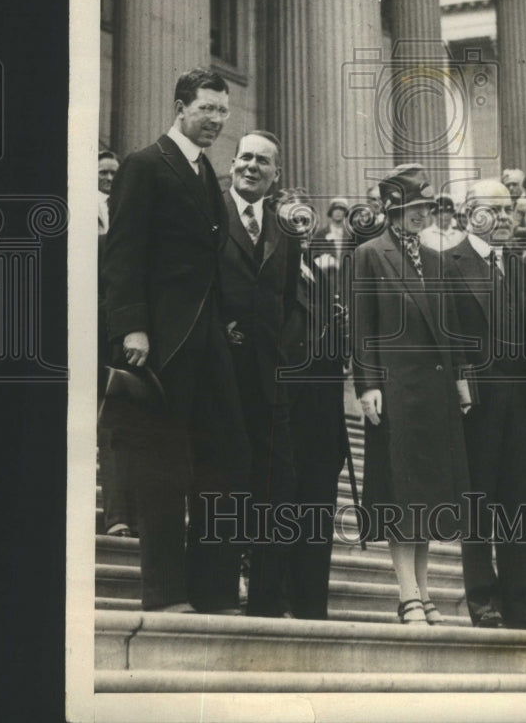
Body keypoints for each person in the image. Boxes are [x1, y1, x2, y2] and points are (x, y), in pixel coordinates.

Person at [102, 67, 249, 613]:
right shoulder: (145, 164)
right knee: (163, 463)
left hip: (208, 339)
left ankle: (213, 588)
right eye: (206, 108)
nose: (216, 120)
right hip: (162, 339)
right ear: (180, 107)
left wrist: (226, 321)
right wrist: (131, 325)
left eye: (223, 111)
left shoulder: (206, 171)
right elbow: (123, 252)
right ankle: (164, 594)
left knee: (225, 457)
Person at [441, 179, 526, 630]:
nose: (506, 217)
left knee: (519, 504)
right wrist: (457, 382)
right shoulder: (446, 265)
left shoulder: (525, 268)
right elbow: (444, 336)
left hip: (523, 407)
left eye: (510, 209)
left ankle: (518, 601)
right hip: (474, 406)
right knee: (478, 502)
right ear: (469, 213)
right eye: (495, 209)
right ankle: (482, 600)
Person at [351, 163, 471, 625]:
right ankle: (407, 595)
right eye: (414, 207)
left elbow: (451, 328)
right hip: (395, 390)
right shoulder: (370, 254)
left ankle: (423, 591)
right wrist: (367, 385)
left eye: (427, 207)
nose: (423, 214)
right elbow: (361, 326)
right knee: (401, 494)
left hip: (435, 393)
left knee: (426, 495)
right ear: (392, 210)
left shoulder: (436, 260)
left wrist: (460, 379)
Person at [220, 130, 302, 617]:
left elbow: (287, 299)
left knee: (278, 484)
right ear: (232, 164)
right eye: (245, 157)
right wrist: (219, 330)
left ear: (275, 175)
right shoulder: (209, 215)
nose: (251, 166)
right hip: (219, 375)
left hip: (269, 379)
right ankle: (217, 588)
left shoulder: (284, 231)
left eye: (262, 161)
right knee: (222, 481)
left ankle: (268, 597)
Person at [276, 189, 349, 620]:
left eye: (305, 221)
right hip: (287, 407)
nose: (300, 228)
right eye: (291, 220)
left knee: (318, 509)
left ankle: (312, 606)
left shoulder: (318, 273)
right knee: (284, 505)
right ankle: (281, 598)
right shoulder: (273, 268)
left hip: (323, 413)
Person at [96, 148, 137, 539]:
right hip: (107, 346)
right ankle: (118, 515)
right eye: (103, 173)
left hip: (141, 351)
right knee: (113, 429)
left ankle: (131, 514)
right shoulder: (100, 240)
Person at [97, 150, 120, 235]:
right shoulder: (84, 202)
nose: (109, 178)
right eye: (103, 173)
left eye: (114, 173)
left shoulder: (125, 202)